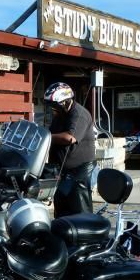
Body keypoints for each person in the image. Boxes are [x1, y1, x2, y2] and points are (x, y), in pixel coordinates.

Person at [44, 82, 96, 217]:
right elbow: (52, 133)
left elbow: (70, 138)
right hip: (61, 171)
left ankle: (84, 236)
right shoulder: (59, 117)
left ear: (64, 102)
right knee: (61, 210)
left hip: (79, 172)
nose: (52, 109)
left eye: (54, 106)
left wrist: (46, 137)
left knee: (79, 212)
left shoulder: (79, 114)